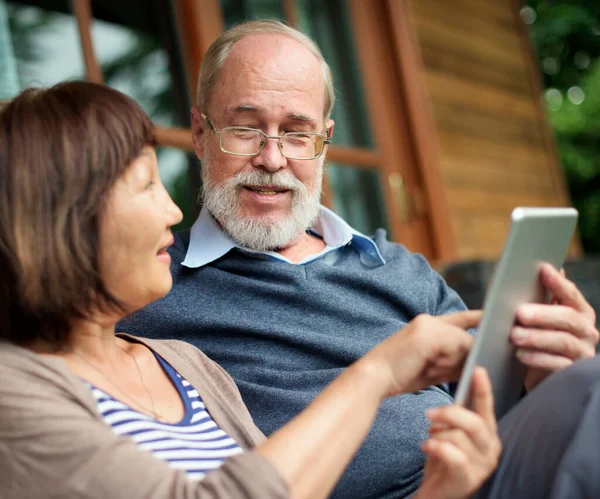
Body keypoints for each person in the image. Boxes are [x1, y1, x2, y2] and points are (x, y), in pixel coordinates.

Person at [119, 20, 600, 498]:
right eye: (245, 129)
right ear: (201, 134)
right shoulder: (153, 285)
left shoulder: (397, 268)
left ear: (323, 141)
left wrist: (543, 374)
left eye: (296, 133)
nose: (271, 158)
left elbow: (493, 399)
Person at [0, 81, 501, 499]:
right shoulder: (14, 390)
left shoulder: (183, 365)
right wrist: (377, 374)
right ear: (63, 219)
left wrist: (438, 493)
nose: (174, 213)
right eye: (147, 185)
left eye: (298, 133)